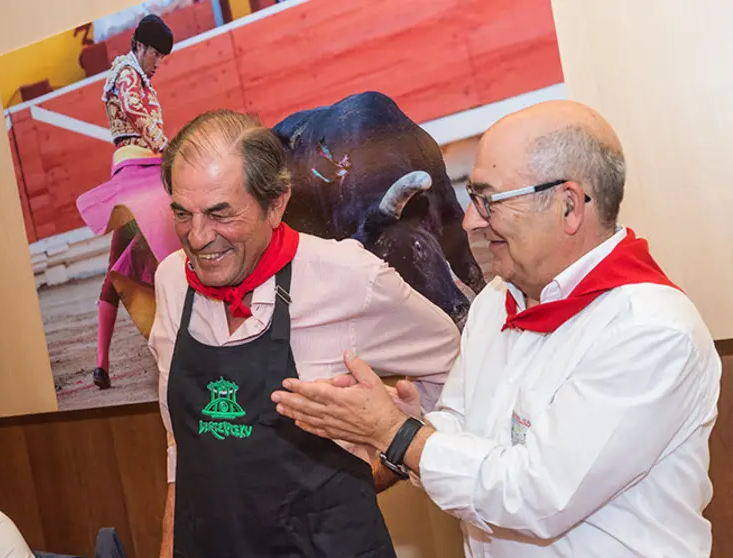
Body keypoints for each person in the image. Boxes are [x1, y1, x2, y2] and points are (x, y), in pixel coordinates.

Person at [271, 100, 722, 557]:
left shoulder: (649, 330)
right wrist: (414, 423)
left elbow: (535, 495)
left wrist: (398, 434)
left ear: (568, 205)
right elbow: (465, 424)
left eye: (489, 201)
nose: (470, 220)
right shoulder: (495, 302)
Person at [149, 109, 461, 557]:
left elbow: (454, 365)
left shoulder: (349, 277)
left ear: (276, 204)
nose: (198, 238)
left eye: (220, 214)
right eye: (183, 213)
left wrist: (396, 452)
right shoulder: (171, 282)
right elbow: (181, 446)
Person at [76, 13, 181, 390]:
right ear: (140, 46)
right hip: (137, 175)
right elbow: (136, 112)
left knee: (120, 264)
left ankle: (102, 363)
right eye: (156, 54)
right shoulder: (125, 73)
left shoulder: (136, 76)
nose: (158, 62)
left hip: (143, 172)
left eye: (162, 57)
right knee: (155, 248)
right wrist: (166, 147)